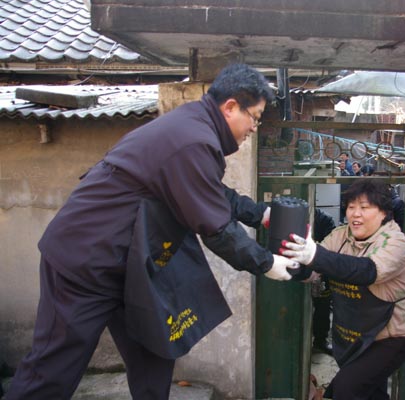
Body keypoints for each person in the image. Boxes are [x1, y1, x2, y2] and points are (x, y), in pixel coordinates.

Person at [5, 64, 298, 400]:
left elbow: (210, 191)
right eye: (256, 117)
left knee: (155, 355)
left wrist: (260, 213)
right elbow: (216, 229)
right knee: (53, 370)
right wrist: (265, 263)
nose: (254, 128)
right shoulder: (192, 138)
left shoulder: (194, 128)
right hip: (84, 262)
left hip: (129, 264)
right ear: (230, 107)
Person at [283, 179, 405, 399]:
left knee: (347, 389)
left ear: (383, 213)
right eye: (351, 207)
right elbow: (314, 270)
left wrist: (315, 256)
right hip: (357, 334)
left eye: (365, 207)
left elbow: (366, 271)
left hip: (393, 336)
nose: (355, 214)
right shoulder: (340, 235)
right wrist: (287, 266)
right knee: (370, 392)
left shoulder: (395, 241)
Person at [311, 208, 337, 355]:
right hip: (298, 270)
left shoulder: (325, 219)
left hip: (321, 270)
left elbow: (331, 248)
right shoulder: (295, 219)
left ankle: (320, 340)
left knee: (322, 306)